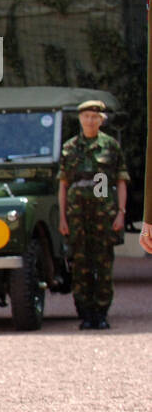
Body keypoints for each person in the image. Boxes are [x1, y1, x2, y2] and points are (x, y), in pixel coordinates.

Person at [59, 99, 128, 330]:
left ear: (101, 120)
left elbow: (120, 180)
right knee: (80, 265)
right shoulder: (69, 148)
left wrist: (121, 213)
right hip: (77, 213)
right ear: (80, 119)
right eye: (86, 116)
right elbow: (63, 184)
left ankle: (101, 313)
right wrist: (63, 218)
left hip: (103, 213)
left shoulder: (110, 146)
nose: (90, 120)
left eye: (94, 117)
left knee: (104, 264)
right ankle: (86, 313)